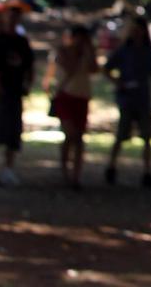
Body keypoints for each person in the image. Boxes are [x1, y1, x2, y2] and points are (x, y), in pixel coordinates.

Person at [104, 18, 151, 188]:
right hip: (127, 98)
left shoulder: (149, 52)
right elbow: (106, 68)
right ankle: (111, 167)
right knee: (121, 135)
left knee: (147, 137)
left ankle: (147, 172)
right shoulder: (123, 50)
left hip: (143, 98)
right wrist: (118, 83)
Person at [0, 1, 36, 187]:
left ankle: (5, 169)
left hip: (12, 92)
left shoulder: (20, 42)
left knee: (8, 132)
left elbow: (30, 66)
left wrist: (28, 84)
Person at [44, 24, 98, 190]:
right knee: (70, 133)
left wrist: (88, 51)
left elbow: (94, 69)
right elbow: (69, 68)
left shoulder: (87, 54)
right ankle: (64, 171)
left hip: (82, 97)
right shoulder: (62, 51)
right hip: (65, 96)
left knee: (79, 138)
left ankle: (76, 176)